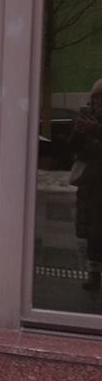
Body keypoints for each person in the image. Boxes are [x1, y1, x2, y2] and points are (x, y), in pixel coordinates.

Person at [70, 79, 102, 292]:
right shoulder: (90, 116)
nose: (98, 101)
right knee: (94, 231)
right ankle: (94, 275)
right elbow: (74, 148)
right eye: (96, 97)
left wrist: (96, 130)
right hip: (92, 181)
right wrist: (79, 132)